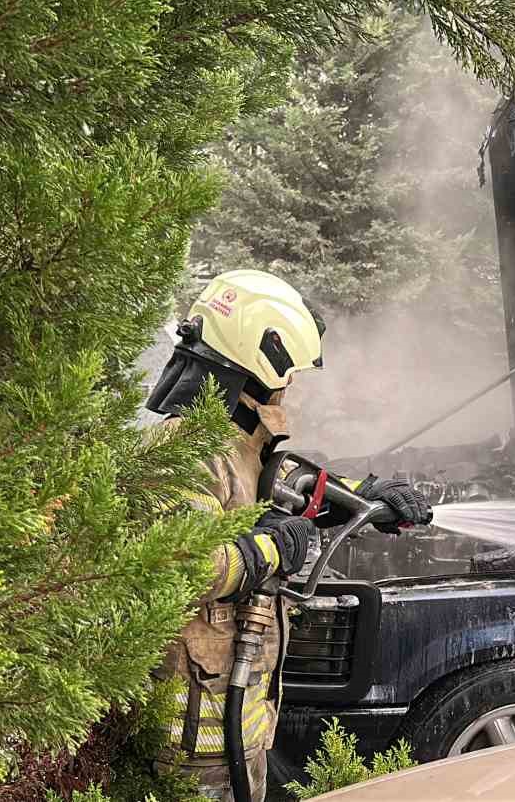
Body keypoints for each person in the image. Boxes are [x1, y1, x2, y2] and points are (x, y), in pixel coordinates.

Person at [142, 269, 430, 801]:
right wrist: (275, 546)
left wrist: (367, 498)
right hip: (193, 744)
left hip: (234, 728)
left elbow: (286, 489)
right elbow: (183, 565)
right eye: (288, 372)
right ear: (258, 362)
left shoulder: (235, 440)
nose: (289, 385)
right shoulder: (189, 449)